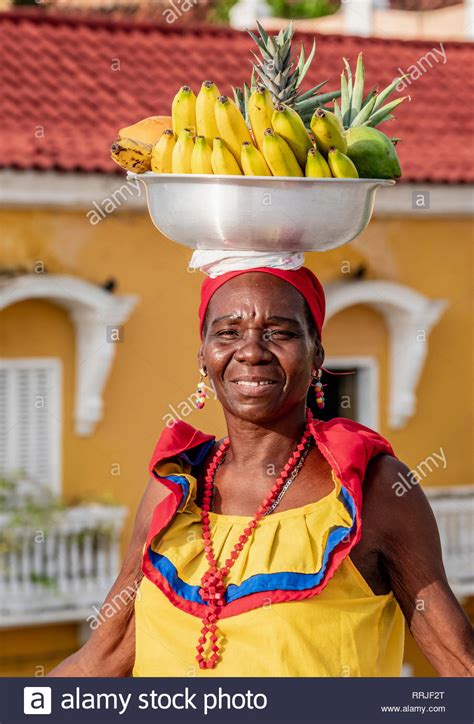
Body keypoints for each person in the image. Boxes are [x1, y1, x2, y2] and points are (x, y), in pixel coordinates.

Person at [50, 262, 473, 677]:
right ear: (203, 354)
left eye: (281, 333)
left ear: (317, 353)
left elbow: (459, 663)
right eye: (228, 333)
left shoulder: (375, 491)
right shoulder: (173, 491)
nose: (251, 351)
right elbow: (102, 660)